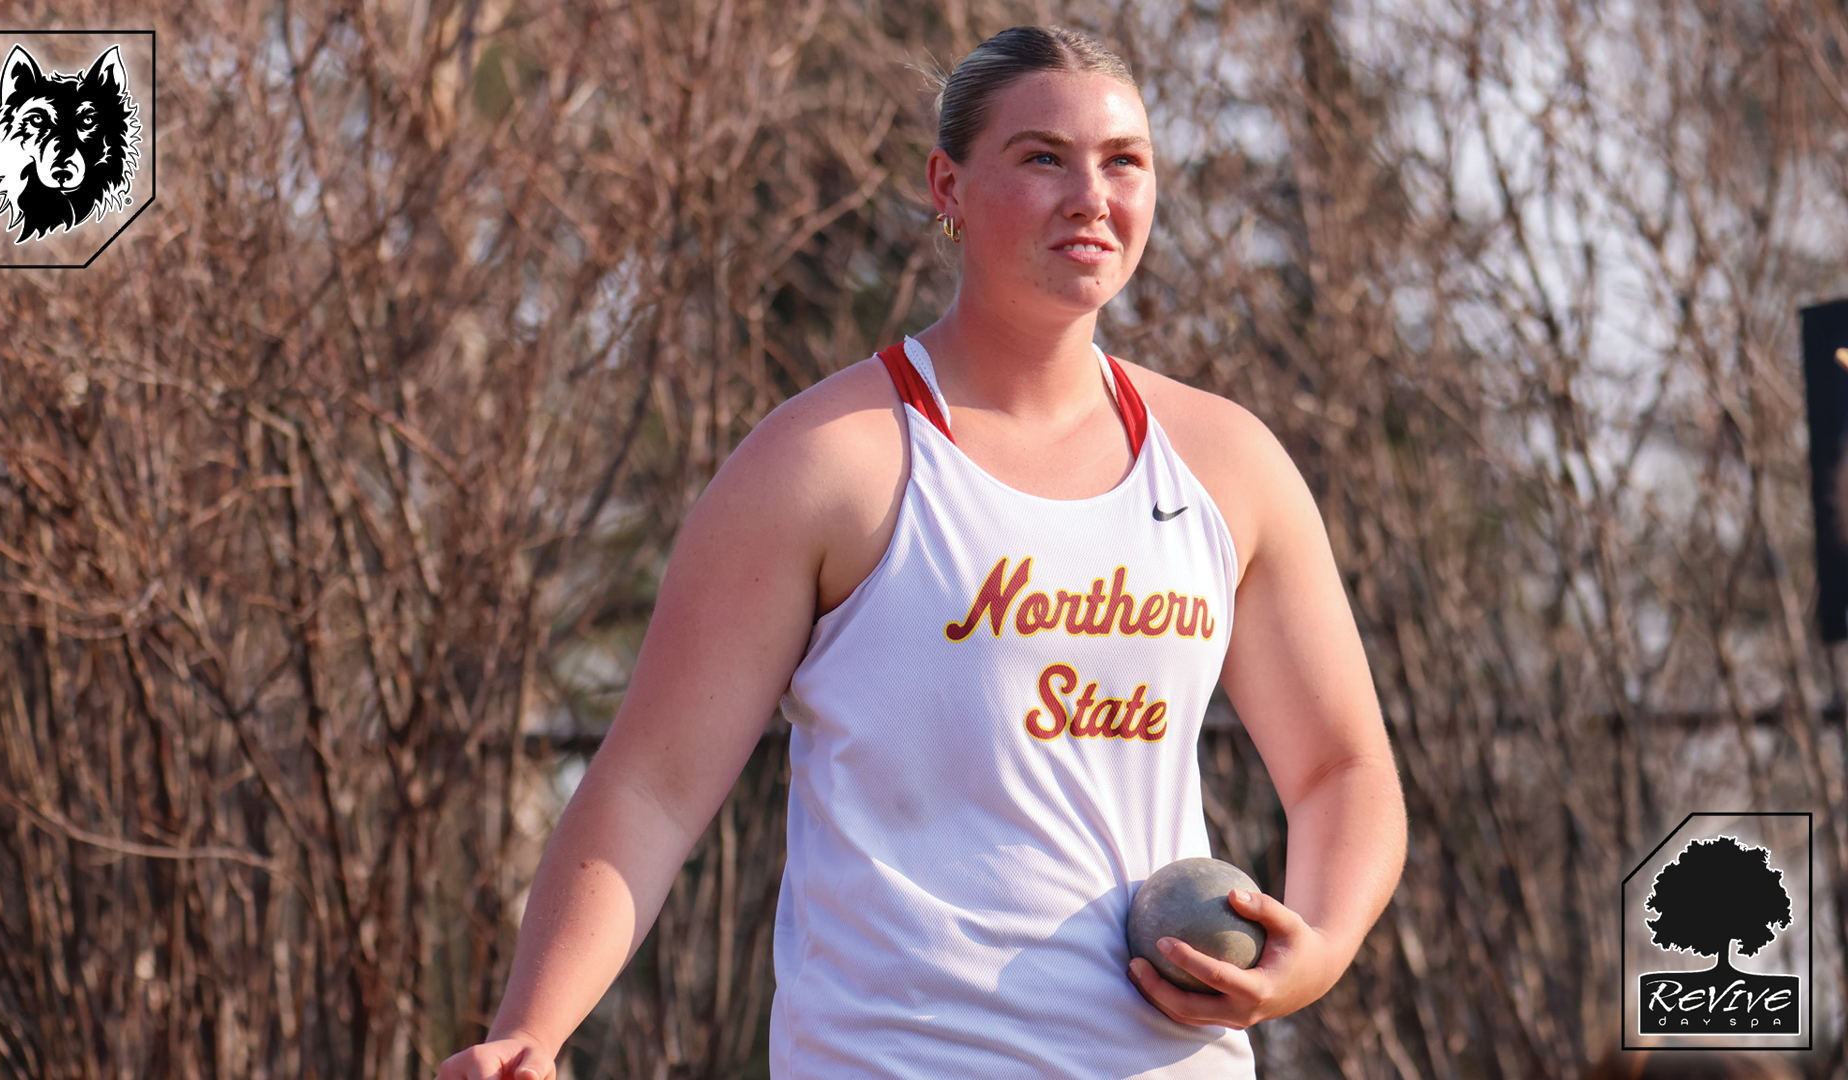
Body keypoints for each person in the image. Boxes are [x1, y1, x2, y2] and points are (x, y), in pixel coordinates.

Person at [440, 25, 1405, 1080]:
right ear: (947, 184)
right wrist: (534, 1028)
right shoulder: (826, 462)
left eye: (1124, 161)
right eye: (1042, 157)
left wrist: (1318, 950)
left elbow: (1341, 767)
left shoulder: (1227, 465)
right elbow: (652, 787)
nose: (1091, 195)